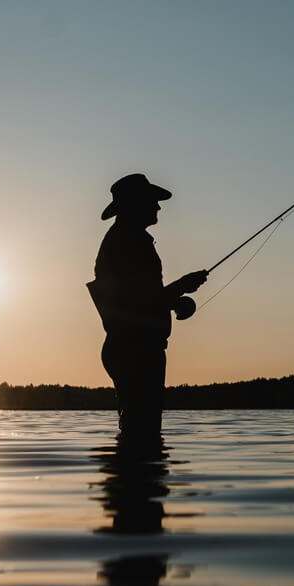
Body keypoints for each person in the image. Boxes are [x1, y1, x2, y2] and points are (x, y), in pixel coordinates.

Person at [88, 173, 207, 445]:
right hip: (135, 351)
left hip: (131, 348)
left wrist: (177, 299)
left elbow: (140, 297)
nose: (158, 206)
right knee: (142, 431)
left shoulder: (128, 240)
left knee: (138, 431)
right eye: (152, 200)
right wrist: (180, 288)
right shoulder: (128, 242)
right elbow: (137, 300)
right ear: (135, 204)